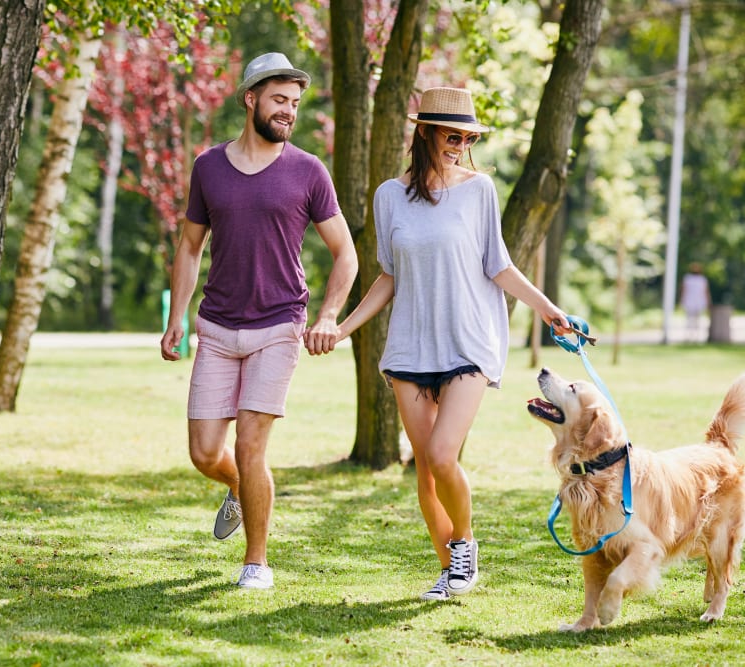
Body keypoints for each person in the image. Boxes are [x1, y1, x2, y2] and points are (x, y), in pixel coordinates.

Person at [329, 86, 570, 600]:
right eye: (450, 135)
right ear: (424, 132)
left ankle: (466, 545)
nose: (459, 144)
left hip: (468, 344)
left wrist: (548, 308)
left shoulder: (479, 190)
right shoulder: (389, 196)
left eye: (467, 137)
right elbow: (387, 276)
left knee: (442, 455)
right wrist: (343, 327)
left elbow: (498, 265)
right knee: (426, 471)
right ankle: (452, 568)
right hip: (410, 348)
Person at [160, 53, 358, 590]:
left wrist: (329, 314)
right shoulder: (209, 168)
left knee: (251, 446)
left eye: (294, 103)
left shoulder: (308, 170)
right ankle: (238, 489)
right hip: (218, 326)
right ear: (250, 99)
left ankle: (257, 562)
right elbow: (190, 245)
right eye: (278, 100)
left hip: (279, 323)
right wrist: (177, 317)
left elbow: (347, 253)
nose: (288, 111)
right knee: (205, 453)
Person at [679, 262, 711, 342]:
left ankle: (696, 336)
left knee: (697, 319)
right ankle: (688, 335)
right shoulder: (687, 278)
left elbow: (705, 291)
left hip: (699, 302)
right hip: (689, 301)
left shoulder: (702, 279)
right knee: (689, 319)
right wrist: (682, 300)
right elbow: (684, 290)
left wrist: (708, 301)